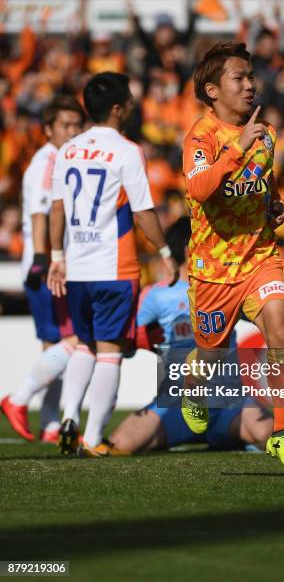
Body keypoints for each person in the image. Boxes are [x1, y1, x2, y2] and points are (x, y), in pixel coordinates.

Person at [110, 216, 284, 454]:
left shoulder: (227, 287)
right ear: (190, 248)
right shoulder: (157, 296)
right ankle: (223, 436)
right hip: (175, 405)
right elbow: (127, 344)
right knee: (120, 443)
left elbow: (280, 318)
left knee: (268, 435)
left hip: (230, 404)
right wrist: (136, 342)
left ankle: (232, 435)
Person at [181, 41, 284, 470]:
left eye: (251, 76)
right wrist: (236, 148)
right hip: (213, 271)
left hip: (259, 257)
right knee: (212, 355)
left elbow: (264, 186)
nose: (250, 85)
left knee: (281, 327)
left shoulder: (267, 134)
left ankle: (283, 433)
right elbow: (200, 189)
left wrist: (275, 204)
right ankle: (194, 386)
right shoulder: (202, 136)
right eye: (240, 77)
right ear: (213, 90)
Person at [47, 71, 179, 457]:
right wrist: (166, 253)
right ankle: (92, 437)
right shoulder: (126, 150)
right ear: (119, 109)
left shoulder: (68, 149)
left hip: (77, 267)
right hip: (114, 268)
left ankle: (69, 415)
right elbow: (143, 213)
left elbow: (57, 208)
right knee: (108, 352)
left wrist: (57, 257)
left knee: (85, 346)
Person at [1, 96, 85, 443]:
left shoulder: (63, 159)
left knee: (56, 344)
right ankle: (17, 399)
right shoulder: (45, 163)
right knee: (70, 342)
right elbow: (39, 212)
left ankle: (51, 423)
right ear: (48, 129)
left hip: (58, 264)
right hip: (47, 267)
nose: (72, 131)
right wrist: (41, 258)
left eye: (76, 125)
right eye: (65, 125)